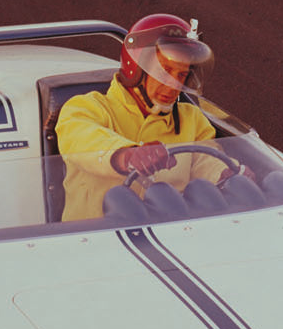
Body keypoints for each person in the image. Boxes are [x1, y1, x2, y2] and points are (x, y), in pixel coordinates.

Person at [56, 13, 238, 222]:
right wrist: (128, 155)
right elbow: (82, 140)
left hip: (169, 232)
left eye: (181, 75)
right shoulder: (86, 107)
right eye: (165, 72)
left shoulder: (191, 118)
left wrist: (226, 173)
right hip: (94, 238)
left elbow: (206, 159)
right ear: (136, 68)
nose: (173, 85)